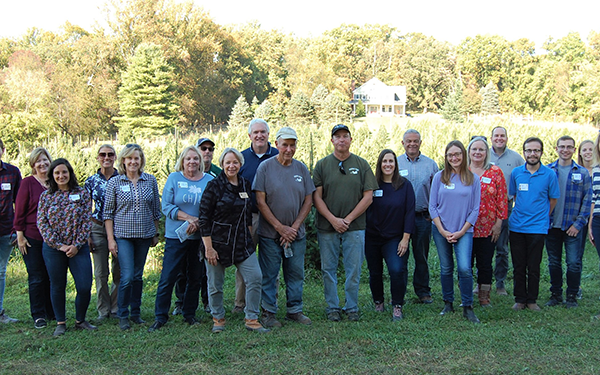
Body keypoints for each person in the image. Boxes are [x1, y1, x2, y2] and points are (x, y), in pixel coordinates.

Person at [199, 148, 269, 333]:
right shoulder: (213, 186)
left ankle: (252, 318)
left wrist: (248, 236)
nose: (232, 166)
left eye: (235, 162)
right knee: (215, 285)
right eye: (228, 162)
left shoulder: (245, 184)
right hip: (216, 243)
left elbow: (247, 215)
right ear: (222, 164)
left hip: (241, 243)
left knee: (255, 277)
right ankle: (218, 318)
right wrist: (208, 248)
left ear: (240, 164)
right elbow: (204, 218)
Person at [313, 124, 378, 322]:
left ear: (351, 140)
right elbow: (316, 197)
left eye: (345, 136)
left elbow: (368, 197)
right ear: (331, 140)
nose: (342, 140)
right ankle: (332, 307)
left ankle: (351, 307)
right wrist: (333, 220)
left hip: (355, 227)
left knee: (354, 269)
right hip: (327, 227)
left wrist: (348, 219)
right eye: (338, 137)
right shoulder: (322, 165)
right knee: (328, 269)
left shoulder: (361, 164)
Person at [253, 127, 315, 328]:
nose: (289, 149)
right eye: (285, 145)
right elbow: (260, 202)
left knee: (295, 273)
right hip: (270, 234)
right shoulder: (265, 168)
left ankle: (294, 310)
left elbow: (308, 200)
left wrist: (294, 228)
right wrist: (280, 228)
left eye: (292, 145)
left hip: (296, 235)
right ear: (277, 145)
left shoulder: (301, 169)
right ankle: (269, 313)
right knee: (269, 274)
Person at [148, 146, 213, 332]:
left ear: (200, 161)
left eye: (195, 158)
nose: (192, 162)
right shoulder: (174, 179)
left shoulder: (209, 180)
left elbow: (213, 207)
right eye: (188, 159)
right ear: (182, 161)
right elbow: (166, 206)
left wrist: (199, 222)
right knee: (168, 276)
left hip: (199, 237)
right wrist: (188, 218)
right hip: (176, 236)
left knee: (195, 276)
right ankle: (160, 316)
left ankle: (189, 313)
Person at [104, 144, 161, 330]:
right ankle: (122, 314)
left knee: (138, 276)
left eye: (136, 158)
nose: (133, 162)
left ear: (141, 160)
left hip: (144, 235)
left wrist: (155, 232)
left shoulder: (150, 180)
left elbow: (155, 210)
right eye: (129, 158)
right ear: (123, 161)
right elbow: (108, 213)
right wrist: (111, 240)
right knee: (127, 276)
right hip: (123, 236)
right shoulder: (115, 182)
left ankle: (135, 313)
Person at [37, 158, 95, 336]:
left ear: (70, 173)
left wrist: (76, 245)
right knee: (57, 285)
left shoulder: (83, 193)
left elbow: (86, 220)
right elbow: (42, 222)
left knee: (85, 285)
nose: (61, 176)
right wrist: (60, 245)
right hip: (54, 249)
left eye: (64, 172)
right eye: (57, 173)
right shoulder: (46, 196)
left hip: (78, 248)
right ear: (52, 176)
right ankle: (61, 322)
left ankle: (80, 320)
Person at [430, 140, 481, 323]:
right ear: (446, 157)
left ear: (463, 155)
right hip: (441, 230)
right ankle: (448, 303)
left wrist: (461, 231)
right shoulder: (439, 177)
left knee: (465, 268)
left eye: (457, 154)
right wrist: (443, 231)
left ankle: (467, 306)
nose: (454, 158)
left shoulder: (473, 179)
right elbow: (432, 207)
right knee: (446, 268)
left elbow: (475, 209)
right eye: (450, 155)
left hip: (464, 231)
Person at [232, 119, 279, 314]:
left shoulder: (278, 155)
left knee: (271, 262)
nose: (260, 135)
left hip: (272, 218)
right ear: (249, 136)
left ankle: (269, 303)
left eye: (263, 132)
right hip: (247, 218)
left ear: (269, 135)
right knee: (244, 260)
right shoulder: (241, 159)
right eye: (256, 132)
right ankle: (240, 303)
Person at [509, 137, 560, 311]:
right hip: (517, 226)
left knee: (534, 265)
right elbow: (515, 196)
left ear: (541, 152)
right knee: (518, 265)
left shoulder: (549, 174)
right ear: (524, 152)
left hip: (538, 227)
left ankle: (532, 300)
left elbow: (553, 199)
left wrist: (542, 216)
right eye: (529, 150)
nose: (532, 154)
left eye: (536, 150)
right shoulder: (516, 173)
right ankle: (520, 299)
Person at [366, 149, 415, 321]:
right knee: (375, 272)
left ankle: (397, 305)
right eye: (384, 161)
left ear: (396, 164)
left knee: (396, 270)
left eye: (391, 161)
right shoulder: (372, 185)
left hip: (394, 238)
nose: (388, 164)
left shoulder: (404, 185)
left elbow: (410, 213)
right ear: (380, 164)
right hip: (372, 238)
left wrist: (405, 238)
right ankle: (378, 301)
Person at [172, 137, 218, 316]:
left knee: (205, 270)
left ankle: (207, 302)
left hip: (206, 229)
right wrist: (189, 220)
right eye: (203, 148)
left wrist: (200, 222)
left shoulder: (216, 173)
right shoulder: (180, 174)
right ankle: (180, 301)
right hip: (183, 229)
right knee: (182, 269)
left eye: (210, 149)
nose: (207, 152)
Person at [545, 136, 591, 308]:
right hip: (552, 225)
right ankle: (555, 294)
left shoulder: (582, 172)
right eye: (562, 146)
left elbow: (587, 200)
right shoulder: (548, 170)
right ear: (556, 149)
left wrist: (578, 224)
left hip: (573, 226)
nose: (565, 150)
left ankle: (571, 295)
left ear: (574, 150)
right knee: (553, 261)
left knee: (573, 262)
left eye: (569, 147)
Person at [14, 147, 55, 329]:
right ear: (33, 164)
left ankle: (51, 311)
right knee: (37, 277)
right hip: (32, 237)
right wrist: (20, 236)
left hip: (53, 239)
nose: (42, 164)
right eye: (38, 161)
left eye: (45, 160)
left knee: (50, 276)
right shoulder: (27, 183)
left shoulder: (55, 182)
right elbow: (19, 212)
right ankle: (38, 315)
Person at [397, 129, 437, 304]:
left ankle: (423, 291)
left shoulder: (431, 165)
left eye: (415, 141)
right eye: (409, 141)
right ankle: (400, 291)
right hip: (400, 219)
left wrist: (432, 215)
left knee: (421, 256)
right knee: (401, 255)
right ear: (403, 143)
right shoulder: (395, 163)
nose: (412, 144)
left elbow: (438, 192)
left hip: (422, 217)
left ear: (421, 142)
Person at [468, 136, 507, 307]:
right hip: (465, 227)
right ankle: (466, 296)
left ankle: (484, 297)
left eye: (481, 149)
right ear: (468, 152)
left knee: (485, 264)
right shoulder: (462, 171)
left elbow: (502, 200)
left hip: (487, 228)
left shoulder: (495, 172)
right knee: (465, 264)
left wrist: (498, 224)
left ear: (486, 152)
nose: (477, 152)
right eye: (474, 149)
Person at [84, 145, 120, 322]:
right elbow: (83, 209)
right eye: (103, 154)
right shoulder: (91, 181)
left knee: (119, 270)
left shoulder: (123, 178)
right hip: (97, 228)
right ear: (98, 157)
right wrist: (87, 234)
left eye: (110, 154)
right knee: (100, 272)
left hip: (120, 228)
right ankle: (103, 309)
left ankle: (115, 306)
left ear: (115, 157)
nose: (106, 157)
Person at [490, 126, 525, 295]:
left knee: (502, 247)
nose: (499, 138)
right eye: (496, 135)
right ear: (491, 138)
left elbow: (522, 183)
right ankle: (482, 282)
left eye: (502, 135)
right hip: (483, 208)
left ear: (507, 138)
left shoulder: (516, 158)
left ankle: (500, 283)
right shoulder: (483, 154)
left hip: (505, 207)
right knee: (481, 247)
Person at [0, 139, 21, 324]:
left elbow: (19, 203)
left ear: (3, 150)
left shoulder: (12, 172)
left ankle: (0, 313)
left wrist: (17, 229)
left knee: (0, 271)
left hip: (6, 230)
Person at [577, 139, 594, 299]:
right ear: (580, 152)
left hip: (596, 215)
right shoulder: (578, 171)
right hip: (582, 216)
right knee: (578, 253)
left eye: (591, 149)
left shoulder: (597, 170)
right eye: (585, 150)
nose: (588, 152)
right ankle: (578, 286)